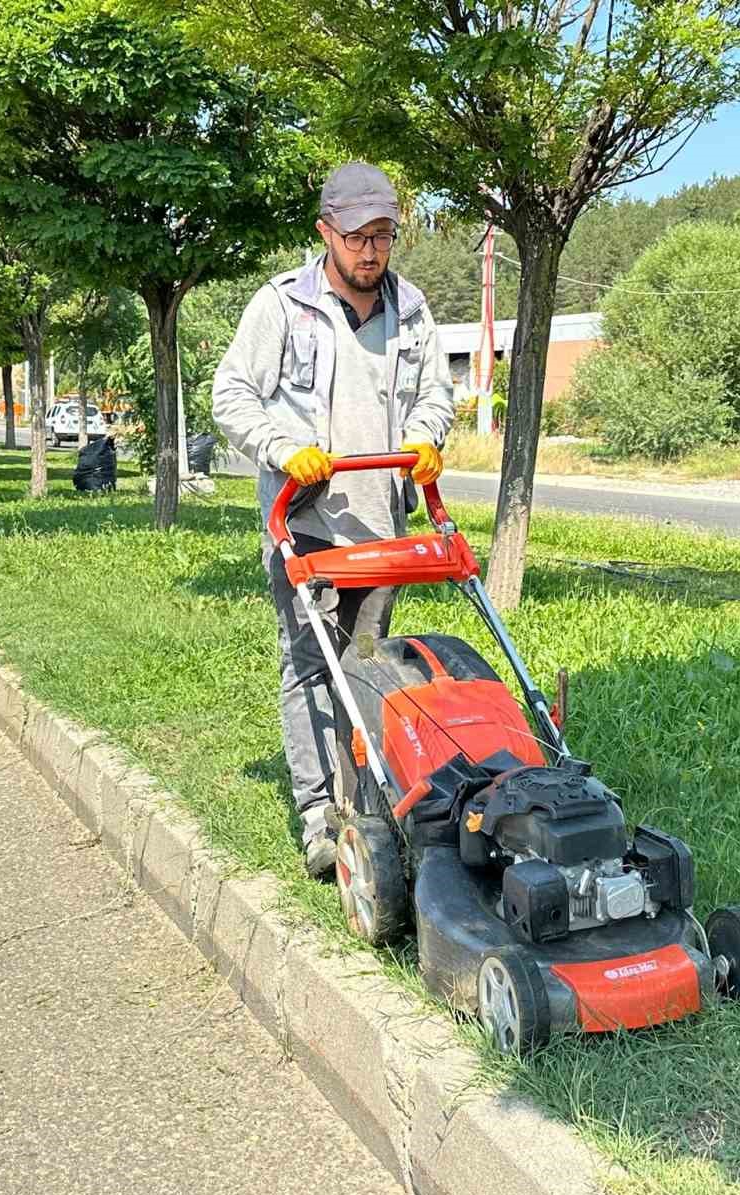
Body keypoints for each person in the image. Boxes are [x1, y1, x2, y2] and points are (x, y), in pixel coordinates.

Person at [213, 162, 456, 878]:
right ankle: (322, 817)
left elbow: (435, 395)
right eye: (357, 238)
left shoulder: (410, 309)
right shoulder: (282, 306)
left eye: (383, 236)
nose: (372, 253)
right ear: (325, 233)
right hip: (309, 520)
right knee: (312, 665)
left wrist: (426, 437)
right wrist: (284, 450)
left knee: (369, 663)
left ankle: (372, 802)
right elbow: (231, 394)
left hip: (381, 524)